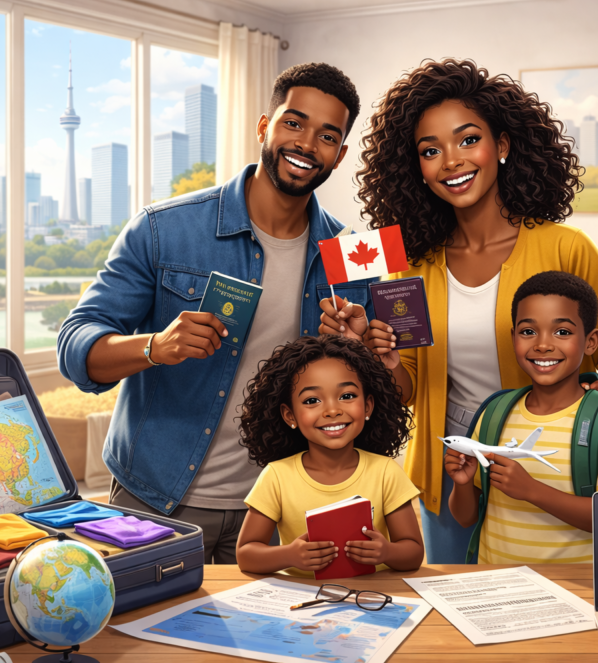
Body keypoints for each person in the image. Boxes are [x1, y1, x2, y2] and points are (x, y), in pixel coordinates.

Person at [322, 58, 598, 564]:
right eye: (431, 151)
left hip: (552, 467)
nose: (451, 161)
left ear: (504, 145)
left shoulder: (568, 248)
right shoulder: (411, 265)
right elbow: (407, 388)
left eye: (468, 140)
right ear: (418, 169)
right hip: (452, 471)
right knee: (457, 618)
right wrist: (377, 361)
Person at [57, 63, 375, 564]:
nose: (307, 144)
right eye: (294, 123)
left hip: (280, 514)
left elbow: (381, 396)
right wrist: (154, 347)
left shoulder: (351, 254)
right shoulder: (164, 229)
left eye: (327, 135)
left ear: (340, 153)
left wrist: (364, 357)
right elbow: (75, 347)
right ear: (263, 126)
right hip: (157, 500)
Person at [446, 271, 598, 563]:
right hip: (497, 587)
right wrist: (462, 482)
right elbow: (466, 518)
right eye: (528, 331)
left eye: (562, 332)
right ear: (513, 336)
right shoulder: (493, 415)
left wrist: (532, 491)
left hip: (576, 593)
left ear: (590, 341)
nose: (542, 344)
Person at [236, 335, 424, 577]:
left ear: (367, 406)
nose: (333, 410)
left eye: (347, 396)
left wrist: (386, 552)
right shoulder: (276, 476)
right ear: (289, 415)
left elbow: (414, 553)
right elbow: (246, 555)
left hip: (372, 600)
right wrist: (289, 555)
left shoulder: (386, 472)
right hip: (301, 603)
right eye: (312, 400)